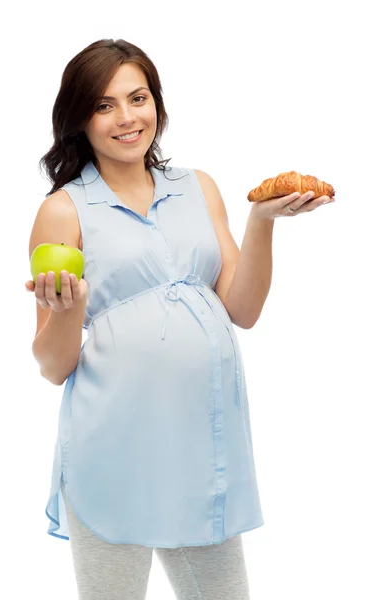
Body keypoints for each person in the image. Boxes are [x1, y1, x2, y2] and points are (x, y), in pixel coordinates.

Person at [25, 38, 334, 600]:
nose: (126, 118)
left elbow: (242, 309)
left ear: (157, 104)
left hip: (199, 446)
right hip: (113, 451)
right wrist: (67, 312)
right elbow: (51, 365)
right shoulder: (63, 210)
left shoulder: (199, 187)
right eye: (103, 105)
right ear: (79, 120)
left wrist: (260, 220)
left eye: (137, 98)